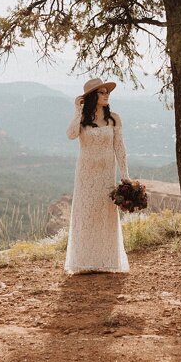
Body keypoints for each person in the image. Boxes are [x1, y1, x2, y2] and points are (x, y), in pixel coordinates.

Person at [64, 77, 130, 274]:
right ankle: (83, 261)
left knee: (105, 215)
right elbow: (70, 134)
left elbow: (119, 147)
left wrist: (125, 175)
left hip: (106, 174)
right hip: (86, 173)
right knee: (86, 214)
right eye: (102, 92)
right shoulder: (83, 119)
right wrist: (77, 110)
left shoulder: (114, 118)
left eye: (107, 92)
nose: (106, 95)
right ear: (93, 96)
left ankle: (106, 260)